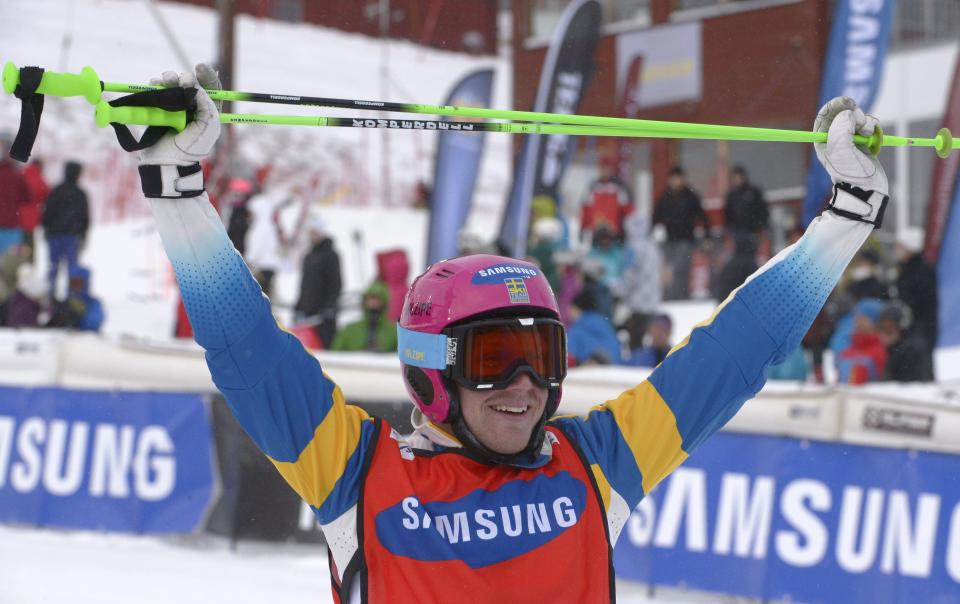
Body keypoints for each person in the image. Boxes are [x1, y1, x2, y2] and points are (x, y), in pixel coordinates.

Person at [135, 66, 887, 601]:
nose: (526, 387)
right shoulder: (357, 477)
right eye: (497, 358)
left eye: (542, 357)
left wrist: (846, 217)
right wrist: (178, 191)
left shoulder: (596, 464)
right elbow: (248, 352)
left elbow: (737, 350)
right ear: (432, 371)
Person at [652, 165, 708, 300]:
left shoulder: (691, 196)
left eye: (678, 179)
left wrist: (707, 236)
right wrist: (652, 234)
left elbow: (703, 217)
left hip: (686, 240)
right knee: (670, 271)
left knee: (681, 268)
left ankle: (682, 297)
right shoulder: (665, 197)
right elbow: (655, 217)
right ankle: (671, 297)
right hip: (669, 240)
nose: (675, 182)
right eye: (673, 179)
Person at [42, 161, 90, 302]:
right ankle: (72, 298)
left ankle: (50, 295)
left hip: (55, 235)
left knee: (53, 266)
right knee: (72, 268)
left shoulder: (56, 191)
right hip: (72, 236)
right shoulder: (80, 193)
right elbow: (85, 218)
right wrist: (83, 234)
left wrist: (46, 229)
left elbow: (47, 213)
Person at [294, 217, 342, 349]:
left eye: (315, 232)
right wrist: (299, 306)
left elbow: (336, 283)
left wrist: (330, 306)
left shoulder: (331, 255)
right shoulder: (309, 256)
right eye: (310, 232)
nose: (312, 235)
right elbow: (304, 284)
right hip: (308, 312)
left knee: (324, 348)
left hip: (323, 315)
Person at [331, 280, 397, 352]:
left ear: (384, 303)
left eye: (377, 299)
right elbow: (335, 355)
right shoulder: (349, 330)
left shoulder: (394, 332)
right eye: (370, 299)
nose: (373, 303)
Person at [579, 154, 634, 242]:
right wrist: (583, 228)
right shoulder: (592, 187)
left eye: (607, 168)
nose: (604, 171)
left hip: (615, 234)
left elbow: (629, 213)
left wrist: (628, 232)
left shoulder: (620, 188)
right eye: (602, 168)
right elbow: (586, 210)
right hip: (596, 233)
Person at [877, 300, 933, 382]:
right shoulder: (885, 350)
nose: (883, 333)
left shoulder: (912, 351)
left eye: (889, 328)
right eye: (881, 327)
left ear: (902, 328)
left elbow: (910, 388)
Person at [565, 288, 623, 366]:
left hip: (588, 375)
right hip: (614, 372)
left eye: (571, 309)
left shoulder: (576, 330)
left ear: (577, 309)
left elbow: (568, 358)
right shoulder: (606, 326)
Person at [44, 266, 104, 331]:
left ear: (85, 283)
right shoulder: (65, 302)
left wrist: (77, 322)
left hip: (87, 336)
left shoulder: (93, 303)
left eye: (78, 282)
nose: (75, 286)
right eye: (72, 283)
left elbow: (93, 323)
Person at [723, 165, 768, 246]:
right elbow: (728, 215)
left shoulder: (754, 192)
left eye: (738, 177)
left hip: (753, 231)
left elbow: (762, 210)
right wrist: (730, 229)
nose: (737, 180)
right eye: (734, 178)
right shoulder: (731, 195)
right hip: (738, 233)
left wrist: (760, 226)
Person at [0, 134, 30, 256]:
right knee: (11, 263)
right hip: (12, 224)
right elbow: (28, 197)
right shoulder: (17, 176)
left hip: (9, 224)